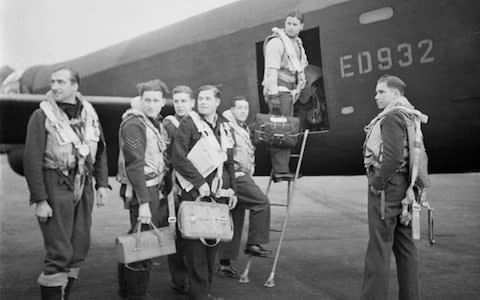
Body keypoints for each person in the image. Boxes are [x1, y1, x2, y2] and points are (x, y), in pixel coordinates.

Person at [24, 66, 110, 300]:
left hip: (84, 183)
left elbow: (100, 150)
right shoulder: (41, 116)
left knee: (79, 246)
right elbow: (31, 160)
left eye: (61, 82)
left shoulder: (89, 114)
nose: (54, 87)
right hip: (55, 184)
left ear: (75, 86)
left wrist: (102, 184)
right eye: (53, 82)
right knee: (59, 250)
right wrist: (40, 200)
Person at [361, 75, 426, 300]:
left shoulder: (391, 118)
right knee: (406, 249)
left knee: (379, 249)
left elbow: (393, 157)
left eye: (381, 92)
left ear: (396, 94)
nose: (376, 96)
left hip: (387, 190)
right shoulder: (410, 116)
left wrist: (377, 184)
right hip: (406, 189)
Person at [172, 85, 237, 300]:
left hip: (219, 194)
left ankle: (204, 290)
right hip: (194, 193)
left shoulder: (225, 126)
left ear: (217, 102)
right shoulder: (189, 124)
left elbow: (229, 163)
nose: (203, 102)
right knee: (195, 246)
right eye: (200, 98)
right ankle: (199, 294)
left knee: (212, 243)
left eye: (208, 98)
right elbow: (178, 158)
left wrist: (233, 191)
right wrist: (199, 182)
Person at [116, 79, 170, 300]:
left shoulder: (153, 122)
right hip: (143, 191)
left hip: (154, 188)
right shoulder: (134, 124)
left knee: (138, 240)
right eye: (146, 100)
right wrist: (145, 203)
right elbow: (135, 165)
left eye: (155, 100)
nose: (150, 104)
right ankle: (135, 294)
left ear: (163, 102)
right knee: (142, 244)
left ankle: (127, 290)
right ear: (141, 100)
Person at [217, 96, 271, 278]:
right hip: (237, 175)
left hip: (242, 175)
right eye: (239, 108)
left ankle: (224, 263)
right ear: (231, 109)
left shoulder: (242, 127)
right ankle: (254, 243)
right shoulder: (228, 127)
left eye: (246, 109)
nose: (243, 111)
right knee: (261, 202)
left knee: (235, 218)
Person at [262, 9, 308, 181]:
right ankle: (280, 171)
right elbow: (271, 71)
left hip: (289, 91)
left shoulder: (297, 44)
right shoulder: (277, 42)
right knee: (280, 132)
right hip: (279, 91)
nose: (290, 27)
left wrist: (297, 90)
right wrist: (273, 96)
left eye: (295, 24)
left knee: (285, 130)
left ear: (301, 26)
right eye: (288, 23)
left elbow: (300, 69)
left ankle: (281, 168)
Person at [162, 85, 196, 294]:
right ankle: (179, 279)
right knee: (177, 235)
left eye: (184, 101)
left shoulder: (198, 123)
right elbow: (166, 158)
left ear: (192, 103)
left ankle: (196, 279)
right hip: (175, 185)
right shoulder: (168, 124)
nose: (180, 105)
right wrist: (171, 184)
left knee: (196, 232)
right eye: (177, 101)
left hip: (196, 185)